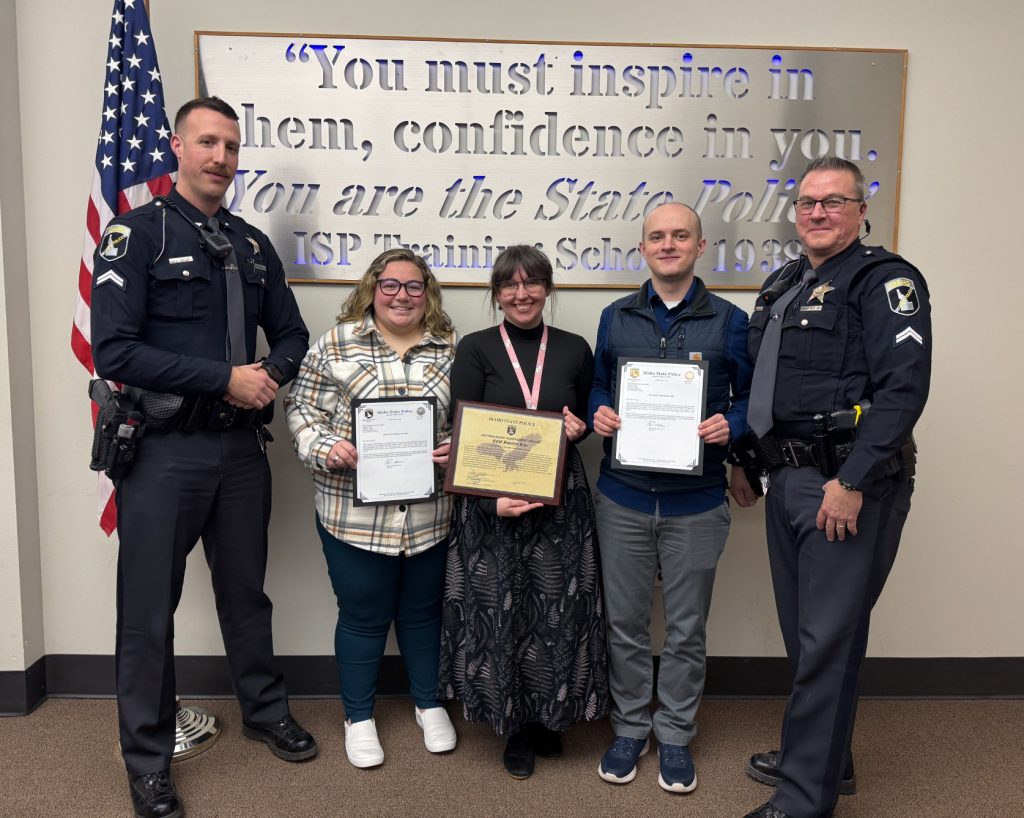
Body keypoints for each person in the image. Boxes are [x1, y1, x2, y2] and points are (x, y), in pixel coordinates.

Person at [90, 97, 316, 818]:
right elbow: (114, 349)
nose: (221, 157)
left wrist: (267, 378)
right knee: (148, 609)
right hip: (163, 452)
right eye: (208, 143)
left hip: (238, 451)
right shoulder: (139, 235)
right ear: (177, 147)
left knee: (246, 592)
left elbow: (291, 334)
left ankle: (264, 709)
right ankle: (149, 760)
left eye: (231, 146)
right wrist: (225, 377)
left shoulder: (250, 246)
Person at [735, 156, 931, 818]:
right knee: (806, 635)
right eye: (808, 202)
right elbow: (767, 386)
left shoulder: (884, 282)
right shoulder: (783, 285)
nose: (818, 212)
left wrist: (853, 480)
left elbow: (903, 390)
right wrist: (746, 458)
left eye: (833, 201)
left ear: (861, 207)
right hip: (787, 477)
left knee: (828, 639)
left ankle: (803, 800)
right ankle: (824, 759)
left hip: (845, 484)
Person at [589, 202, 752, 794]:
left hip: (697, 501)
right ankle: (631, 727)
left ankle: (676, 735)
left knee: (686, 628)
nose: (667, 244)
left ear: (699, 246)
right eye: (656, 236)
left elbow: (753, 400)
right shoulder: (615, 315)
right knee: (626, 623)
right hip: (624, 497)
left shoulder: (731, 320)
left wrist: (731, 425)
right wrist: (598, 413)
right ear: (643, 248)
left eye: (680, 235)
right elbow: (602, 385)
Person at [438, 244, 609, 779]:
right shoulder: (475, 348)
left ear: (547, 288)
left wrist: (579, 429)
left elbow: (578, 417)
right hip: (493, 501)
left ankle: (547, 717)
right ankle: (512, 725)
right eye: (509, 285)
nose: (521, 294)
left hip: (559, 500)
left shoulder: (576, 348)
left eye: (532, 283)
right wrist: (492, 501)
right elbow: (465, 436)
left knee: (558, 611)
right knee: (501, 611)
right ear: (496, 294)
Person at [285, 248, 459, 769]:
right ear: (372, 289)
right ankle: (358, 716)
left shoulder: (450, 349)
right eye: (390, 285)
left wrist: (459, 447)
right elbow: (300, 409)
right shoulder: (336, 344)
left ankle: (429, 704)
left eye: (413, 286)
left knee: (424, 614)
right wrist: (324, 448)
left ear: (427, 292)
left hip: (431, 515)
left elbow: (470, 418)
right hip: (353, 516)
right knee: (362, 616)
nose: (401, 295)